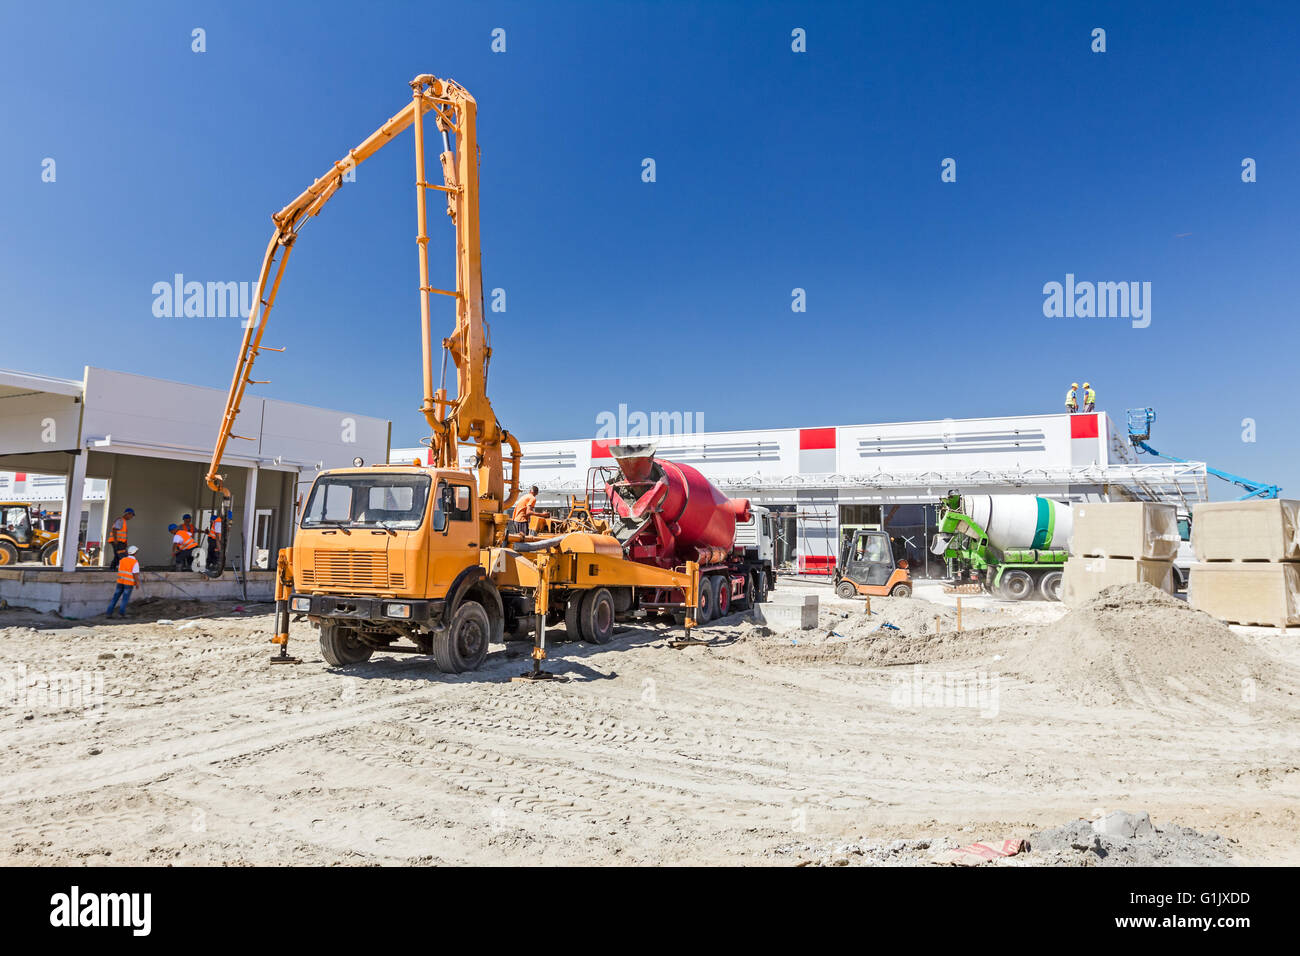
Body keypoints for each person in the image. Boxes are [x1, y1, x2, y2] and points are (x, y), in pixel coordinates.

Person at [107, 545, 140, 617]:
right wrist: (137, 583)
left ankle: (109, 613)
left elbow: (120, 570)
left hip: (120, 581)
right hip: (128, 583)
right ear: (135, 553)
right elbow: (135, 574)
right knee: (125, 599)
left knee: (115, 597)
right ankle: (121, 613)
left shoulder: (122, 560)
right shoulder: (135, 562)